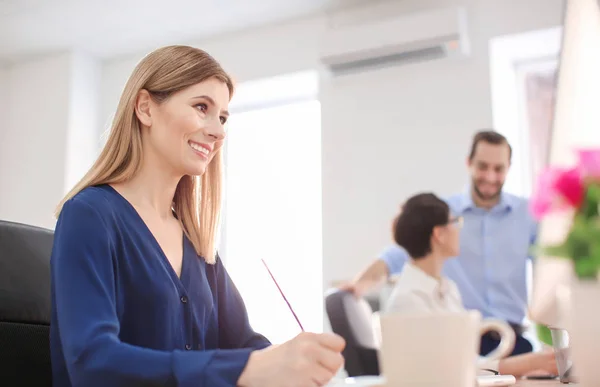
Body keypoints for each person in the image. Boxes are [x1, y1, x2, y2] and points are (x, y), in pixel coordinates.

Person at [50, 45, 345, 387]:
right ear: (145, 108)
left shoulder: (196, 241)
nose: (218, 132)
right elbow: (92, 363)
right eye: (201, 107)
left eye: (222, 117)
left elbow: (246, 343)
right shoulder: (88, 216)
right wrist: (244, 370)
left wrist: (292, 364)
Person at [341, 130, 537, 356]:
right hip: (463, 339)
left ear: (509, 167)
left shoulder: (528, 215)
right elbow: (395, 255)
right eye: (482, 167)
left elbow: (551, 267)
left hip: (512, 338)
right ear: (469, 163)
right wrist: (356, 288)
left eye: (498, 169)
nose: (490, 177)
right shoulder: (444, 216)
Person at [384, 193, 557, 377]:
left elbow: (467, 362)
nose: (459, 229)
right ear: (439, 234)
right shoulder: (409, 300)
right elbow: (445, 373)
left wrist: (527, 366)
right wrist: (522, 364)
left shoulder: (448, 289)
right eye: (455, 222)